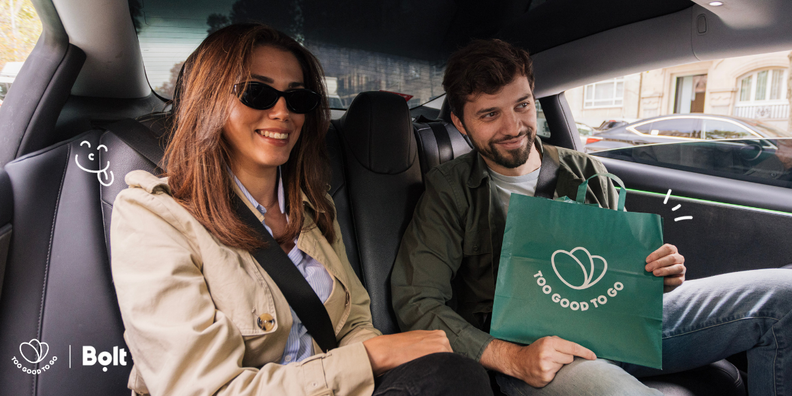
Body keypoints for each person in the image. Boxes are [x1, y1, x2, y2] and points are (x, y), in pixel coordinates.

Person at [390, 38, 792, 396]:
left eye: (522, 105)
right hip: (535, 352)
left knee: (783, 292)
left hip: (614, 322)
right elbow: (417, 301)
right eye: (490, 115)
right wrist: (512, 359)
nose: (513, 127)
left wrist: (655, 277)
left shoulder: (586, 171)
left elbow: (620, 273)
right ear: (460, 122)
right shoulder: (449, 190)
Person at [110, 24, 493, 396]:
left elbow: (355, 319)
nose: (282, 112)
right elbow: (203, 390)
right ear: (208, 100)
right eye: (257, 93)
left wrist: (370, 358)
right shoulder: (154, 216)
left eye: (298, 99)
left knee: (455, 372)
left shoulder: (313, 206)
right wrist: (369, 358)